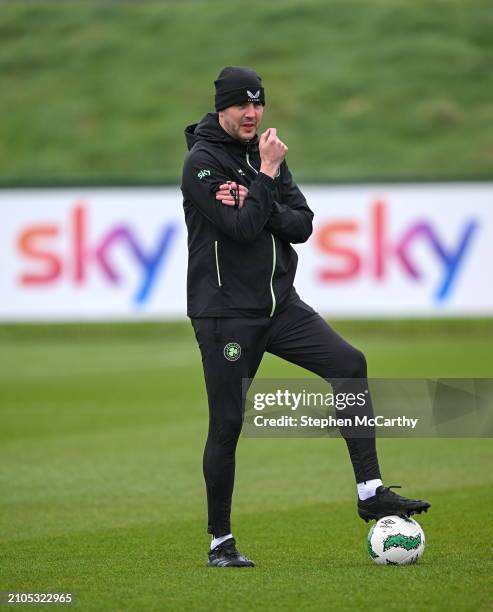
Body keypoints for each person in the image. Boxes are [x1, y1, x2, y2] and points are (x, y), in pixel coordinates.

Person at [181, 66, 430, 568]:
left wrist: (263, 190)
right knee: (228, 424)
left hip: (280, 306)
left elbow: (302, 225)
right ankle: (220, 543)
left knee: (349, 363)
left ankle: (370, 491)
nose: (252, 114)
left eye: (258, 104)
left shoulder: (263, 154)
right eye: (241, 106)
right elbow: (242, 229)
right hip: (226, 313)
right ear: (221, 108)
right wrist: (267, 178)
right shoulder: (202, 164)